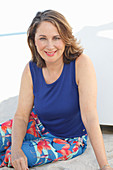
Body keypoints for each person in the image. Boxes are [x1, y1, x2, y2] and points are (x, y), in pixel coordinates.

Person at [0, 10, 112, 170]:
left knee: (16, 158)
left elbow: (90, 117)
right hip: (38, 124)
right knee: (10, 148)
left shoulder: (81, 64)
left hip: (69, 139)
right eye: (43, 38)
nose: (50, 45)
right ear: (34, 41)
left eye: (56, 38)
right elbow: (21, 116)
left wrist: (105, 166)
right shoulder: (31, 69)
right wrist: (15, 148)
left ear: (66, 38)